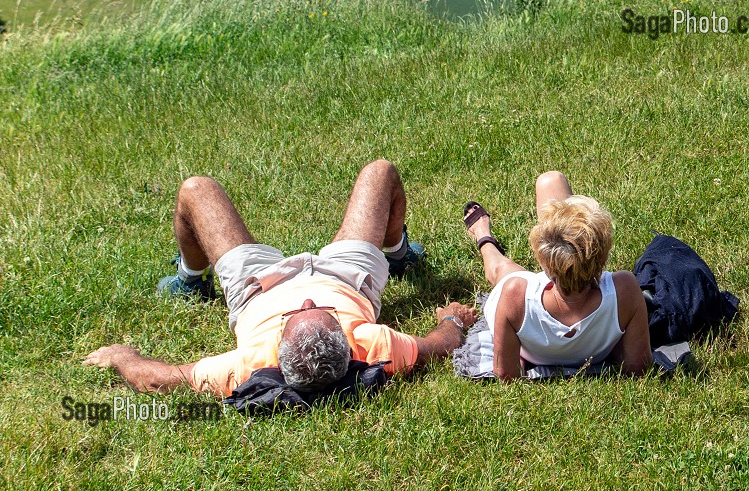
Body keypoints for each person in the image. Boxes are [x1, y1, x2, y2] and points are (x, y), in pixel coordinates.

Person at [84, 159, 476, 396]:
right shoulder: (372, 347)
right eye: (322, 312)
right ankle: (398, 254)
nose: (304, 301)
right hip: (345, 278)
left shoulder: (249, 364)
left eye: (296, 315)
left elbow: (161, 380)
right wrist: (453, 318)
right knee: (380, 172)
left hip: (256, 287)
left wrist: (121, 356)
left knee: (195, 190)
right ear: (346, 339)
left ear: (277, 351)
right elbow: (437, 345)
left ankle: (190, 279)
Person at [464, 170, 651, 382]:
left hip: (531, 304)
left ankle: (484, 237)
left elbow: (506, 373)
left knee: (499, 268)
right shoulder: (625, 289)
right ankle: (571, 240)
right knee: (552, 181)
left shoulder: (515, 294)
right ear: (603, 256)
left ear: (543, 262)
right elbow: (638, 366)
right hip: (568, 288)